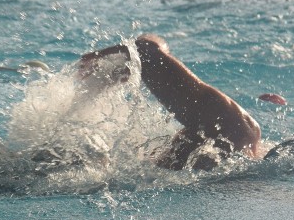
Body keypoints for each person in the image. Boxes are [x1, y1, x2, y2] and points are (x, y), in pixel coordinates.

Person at [77, 34, 262, 170]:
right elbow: (147, 48)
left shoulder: (156, 64)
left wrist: (100, 57)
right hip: (236, 129)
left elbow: (145, 49)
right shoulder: (223, 124)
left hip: (230, 134)